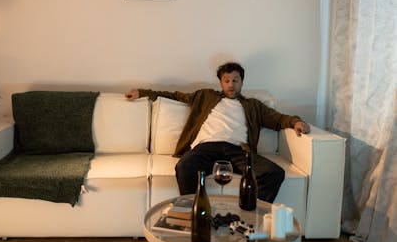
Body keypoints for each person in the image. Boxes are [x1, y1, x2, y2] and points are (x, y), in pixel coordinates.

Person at [125, 62, 310, 203]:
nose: (231, 85)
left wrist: (296, 122)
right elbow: (175, 95)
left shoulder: (253, 105)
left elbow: (278, 119)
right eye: (226, 81)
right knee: (184, 166)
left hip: (238, 150)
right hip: (206, 147)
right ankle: (193, 211)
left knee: (274, 172)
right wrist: (142, 92)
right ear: (221, 82)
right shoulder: (205, 96)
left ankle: (250, 215)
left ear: (242, 82)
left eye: (235, 81)